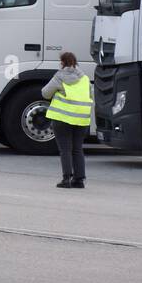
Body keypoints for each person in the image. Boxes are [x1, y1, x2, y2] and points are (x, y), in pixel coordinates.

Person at [43, 51, 91, 189]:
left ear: (62, 63)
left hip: (63, 118)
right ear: (75, 62)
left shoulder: (60, 76)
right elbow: (90, 95)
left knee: (65, 149)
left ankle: (66, 179)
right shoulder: (85, 78)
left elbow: (45, 93)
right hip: (81, 118)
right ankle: (79, 180)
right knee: (77, 149)